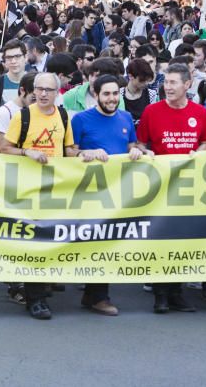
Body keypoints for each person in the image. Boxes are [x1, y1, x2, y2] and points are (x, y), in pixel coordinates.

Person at [0, 72, 76, 320]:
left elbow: (69, 150)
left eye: (48, 90)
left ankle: (42, 289)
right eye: (39, 89)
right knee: (33, 243)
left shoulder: (63, 116)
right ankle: (35, 298)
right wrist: (26, 152)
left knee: (50, 240)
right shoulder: (23, 116)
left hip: (54, 188)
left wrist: (89, 154)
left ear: (57, 92)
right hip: (26, 189)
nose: (42, 94)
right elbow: (3, 148)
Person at [71, 74, 150, 316]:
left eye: (115, 93)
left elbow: (130, 145)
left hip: (117, 193)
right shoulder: (81, 120)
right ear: (95, 95)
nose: (112, 98)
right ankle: (97, 296)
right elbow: (69, 152)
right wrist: (88, 152)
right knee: (95, 243)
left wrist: (137, 151)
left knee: (108, 242)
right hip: (88, 192)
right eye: (106, 94)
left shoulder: (126, 118)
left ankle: (95, 295)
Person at [136, 63, 206, 314]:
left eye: (173, 83)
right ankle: (160, 295)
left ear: (187, 85)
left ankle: (177, 292)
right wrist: (146, 153)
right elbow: (140, 142)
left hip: (189, 186)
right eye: (165, 83)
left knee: (183, 241)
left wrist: (197, 153)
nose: (167, 87)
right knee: (161, 239)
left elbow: (205, 142)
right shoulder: (151, 111)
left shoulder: (200, 112)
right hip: (159, 185)